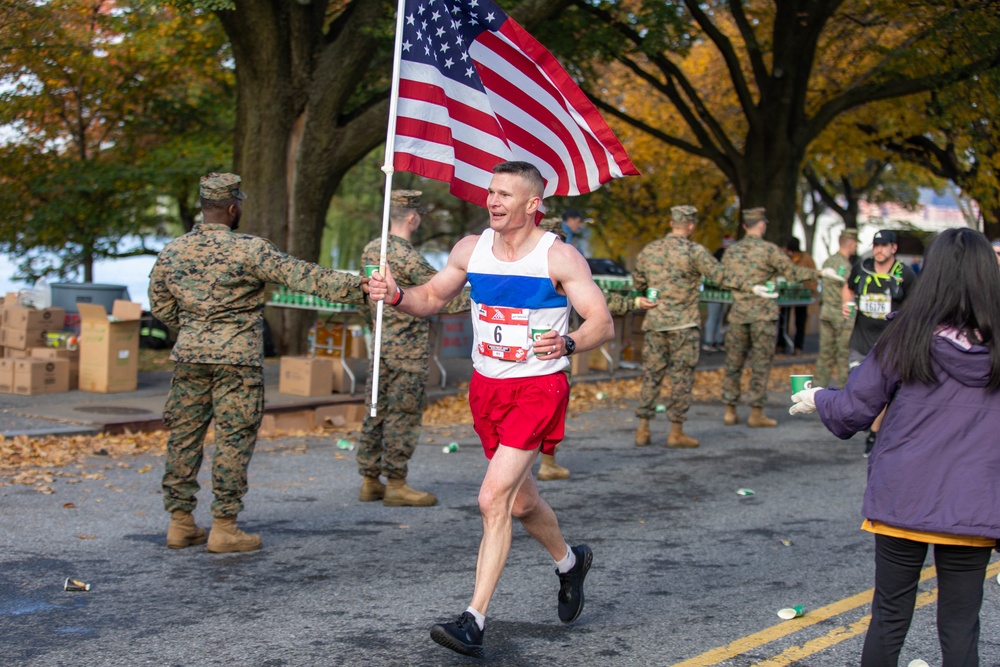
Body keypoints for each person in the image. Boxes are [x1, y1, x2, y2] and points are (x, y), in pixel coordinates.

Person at [368, 161, 613, 659]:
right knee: (521, 504)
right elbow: (433, 296)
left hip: (538, 390)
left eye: (504, 194)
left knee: (491, 499)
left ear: (532, 204)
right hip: (487, 390)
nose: (493, 201)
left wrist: (567, 342)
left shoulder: (559, 257)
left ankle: (473, 620)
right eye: (491, 192)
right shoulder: (470, 249)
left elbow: (601, 322)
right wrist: (394, 295)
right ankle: (570, 563)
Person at [789, 227, 1000, 667]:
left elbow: (853, 410)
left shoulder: (906, 334)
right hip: (975, 505)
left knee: (888, 616)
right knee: (962, 626)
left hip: (903, 495)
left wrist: (818, 397)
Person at [149, 173, 367, 553]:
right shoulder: (249, 250)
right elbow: (303, 276)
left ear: (204, 208)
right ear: (233, 209)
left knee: (183, 438)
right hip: (238, 362)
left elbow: (161, 306)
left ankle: (180, 522)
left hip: (189, 357)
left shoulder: (173, 251)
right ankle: (224, 527)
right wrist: (358, 288)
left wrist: (197, 328)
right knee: (233, 439)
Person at [358, 190, 469, 506]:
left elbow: (363, 298)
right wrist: (486, 295)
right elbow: (439, 296)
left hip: (380, 344)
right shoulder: (407, 257)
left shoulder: (371, 250)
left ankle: (369, 479)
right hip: (407, 349)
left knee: (376, 410)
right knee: (403, 414)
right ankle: (396, 483)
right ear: (412, 217)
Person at [632, 205, 775, 448]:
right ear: (691, 226)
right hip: (684, 326)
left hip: (655, 323)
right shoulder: (694, 251)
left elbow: (638, 282)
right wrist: (752, 287)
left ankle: (643, 429)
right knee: (681, 377)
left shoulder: (649, 250)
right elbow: (721, 276)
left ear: (671, 224)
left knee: (652, 376)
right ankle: (675, 432)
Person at [721, 207, 844, 427]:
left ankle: (730, 410)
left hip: (738, 313)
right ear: (762, 225)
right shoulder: (769, 250)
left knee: (733, 363)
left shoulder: (732, 252)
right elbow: (793, 273)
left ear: (743, 226)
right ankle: (756, 412)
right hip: (763, 316)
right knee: (760, 364)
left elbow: (722, 278)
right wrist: (820, 273)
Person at [842, 229, 917, 456]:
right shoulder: (861, 268)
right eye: (876, 245)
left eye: (884, 245)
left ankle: (874, 434)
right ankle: (870, 421)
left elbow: (915, 303)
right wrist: (847, 304)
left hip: (890, 344)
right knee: (859, 387)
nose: (879, 250)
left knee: (884, 392)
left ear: (894, 248)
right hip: (861, 341)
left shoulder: (905, 274)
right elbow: (848, 288)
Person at [815, 229, 858, 388]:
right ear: (850, 244)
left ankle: (816, 393)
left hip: (826, 313)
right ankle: (843, 393)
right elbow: (847, 289)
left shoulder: (828, 262)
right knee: (843, 357)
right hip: (841, 316)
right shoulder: (845, 265)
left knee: (824, 357)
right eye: (855, 245)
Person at [777, 236, 816, 355]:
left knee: (800, 321)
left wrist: (812, 291)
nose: (791, 254)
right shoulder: (781, 256)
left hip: (801, 295)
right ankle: (780, 344)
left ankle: (798, 347)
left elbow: (813, 276)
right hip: (784, 294)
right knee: (782, 320)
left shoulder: (806, 259)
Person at [702, 235, 734, 352]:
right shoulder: (718, 256)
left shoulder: (728, 256)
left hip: (723, 291)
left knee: (720, 317)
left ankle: (718, 340)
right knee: (713, 316)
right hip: (714, 292)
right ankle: (709, 341)